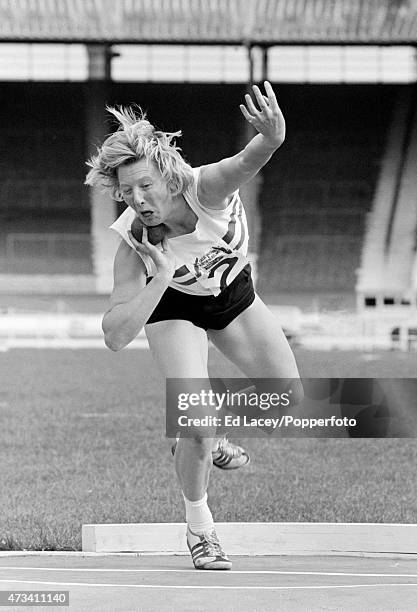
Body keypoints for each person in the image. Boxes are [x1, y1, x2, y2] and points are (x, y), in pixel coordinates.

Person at [85, 81, 302, 570]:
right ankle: (200, 529)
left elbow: (252, 157)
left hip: (231, 294)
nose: (137, 199)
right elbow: (116, 336)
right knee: (197, 426)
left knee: (286, 396)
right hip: (172, 305)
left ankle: (207, 424)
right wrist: (159, 276)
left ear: (168, 176)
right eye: (127, 192)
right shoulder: (132, 241)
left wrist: (271, 136)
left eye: (145, 186)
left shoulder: (206, 188)